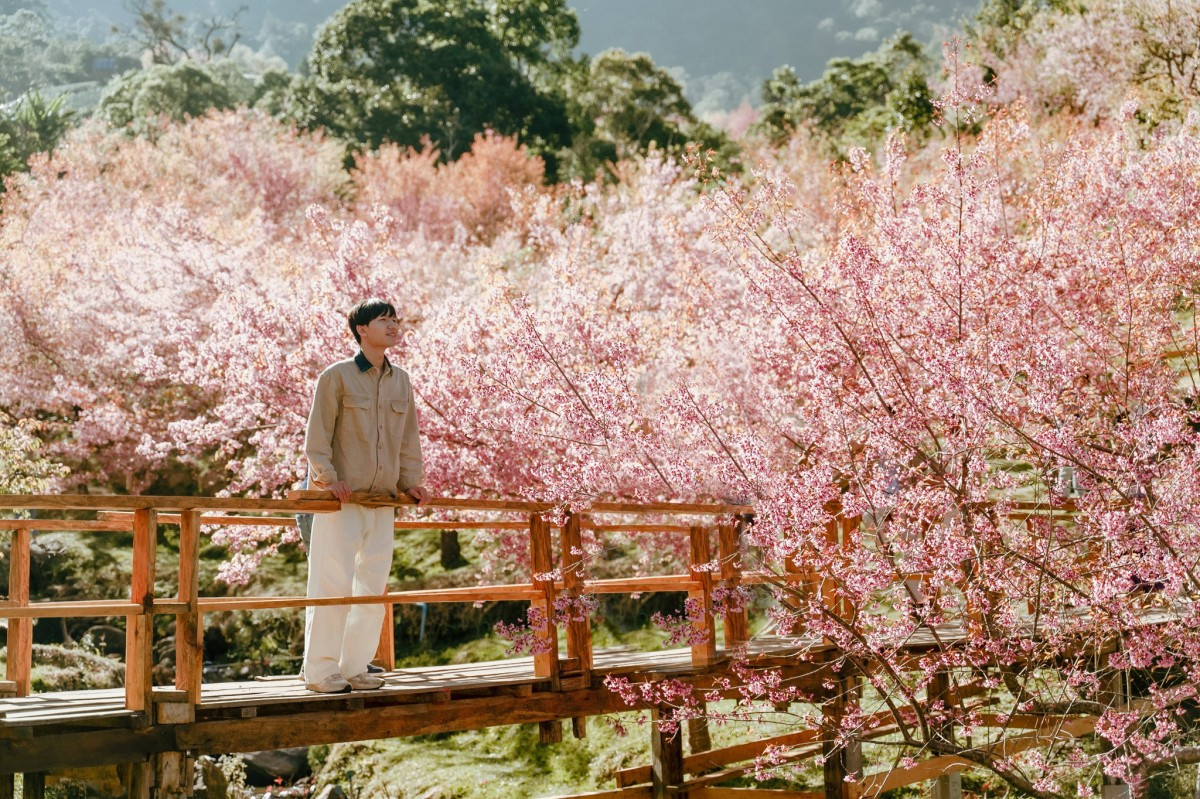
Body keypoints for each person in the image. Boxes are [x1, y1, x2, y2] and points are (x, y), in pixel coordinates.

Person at [302, 298, 430, 693]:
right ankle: (320, 672)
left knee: (372, 586)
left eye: (395, 319)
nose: (393, 326)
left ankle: (355, 666)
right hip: (341, 499)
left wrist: (411, 482)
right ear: (361, 329)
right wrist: (327, 478)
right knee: (332, 581)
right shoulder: (336, 377)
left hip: (384, 500)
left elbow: (408, 438)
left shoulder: (401, 380)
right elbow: (317, 438)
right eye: (383, 320)